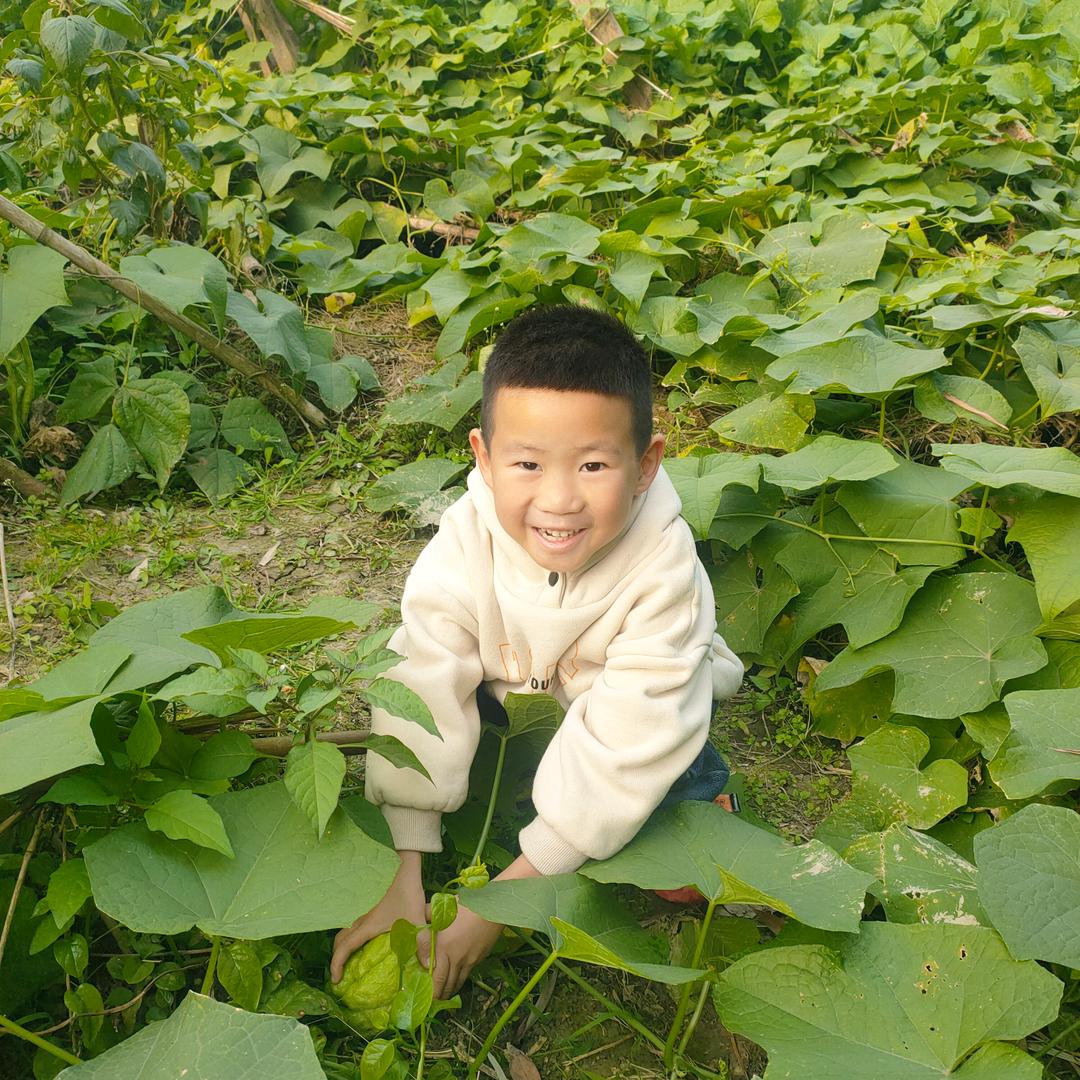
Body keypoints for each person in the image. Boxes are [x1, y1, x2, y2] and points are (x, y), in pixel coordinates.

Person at [330, 304, 743, 997]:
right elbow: (422, 680)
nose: (558, 500)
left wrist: (503, 902)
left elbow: (631, 731)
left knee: (663, 773)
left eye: (591, 464)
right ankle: (534, 803)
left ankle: (697, 805)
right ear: (483, 459)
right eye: (526, 463)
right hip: (515, 695)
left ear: (646, 465)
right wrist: (404, 865)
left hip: (631, 708)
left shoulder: (666, 571)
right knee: (445, 725)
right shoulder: (462, 544)